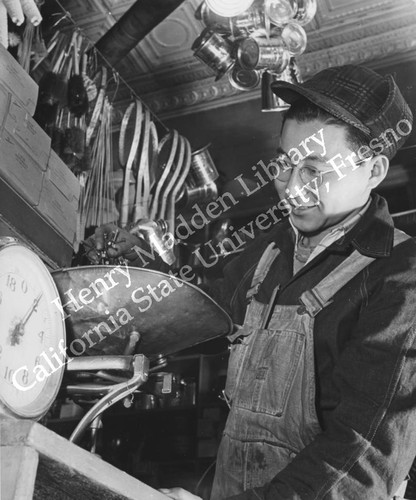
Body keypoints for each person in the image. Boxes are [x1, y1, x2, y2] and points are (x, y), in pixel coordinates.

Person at [94, 65, 416, 499]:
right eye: (285, 165)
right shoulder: (266, 253)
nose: (292, 189)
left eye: (315, 171)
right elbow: (197, 317)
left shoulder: (400, 275)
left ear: (374, 170)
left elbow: (364, 461)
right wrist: (127, 308)